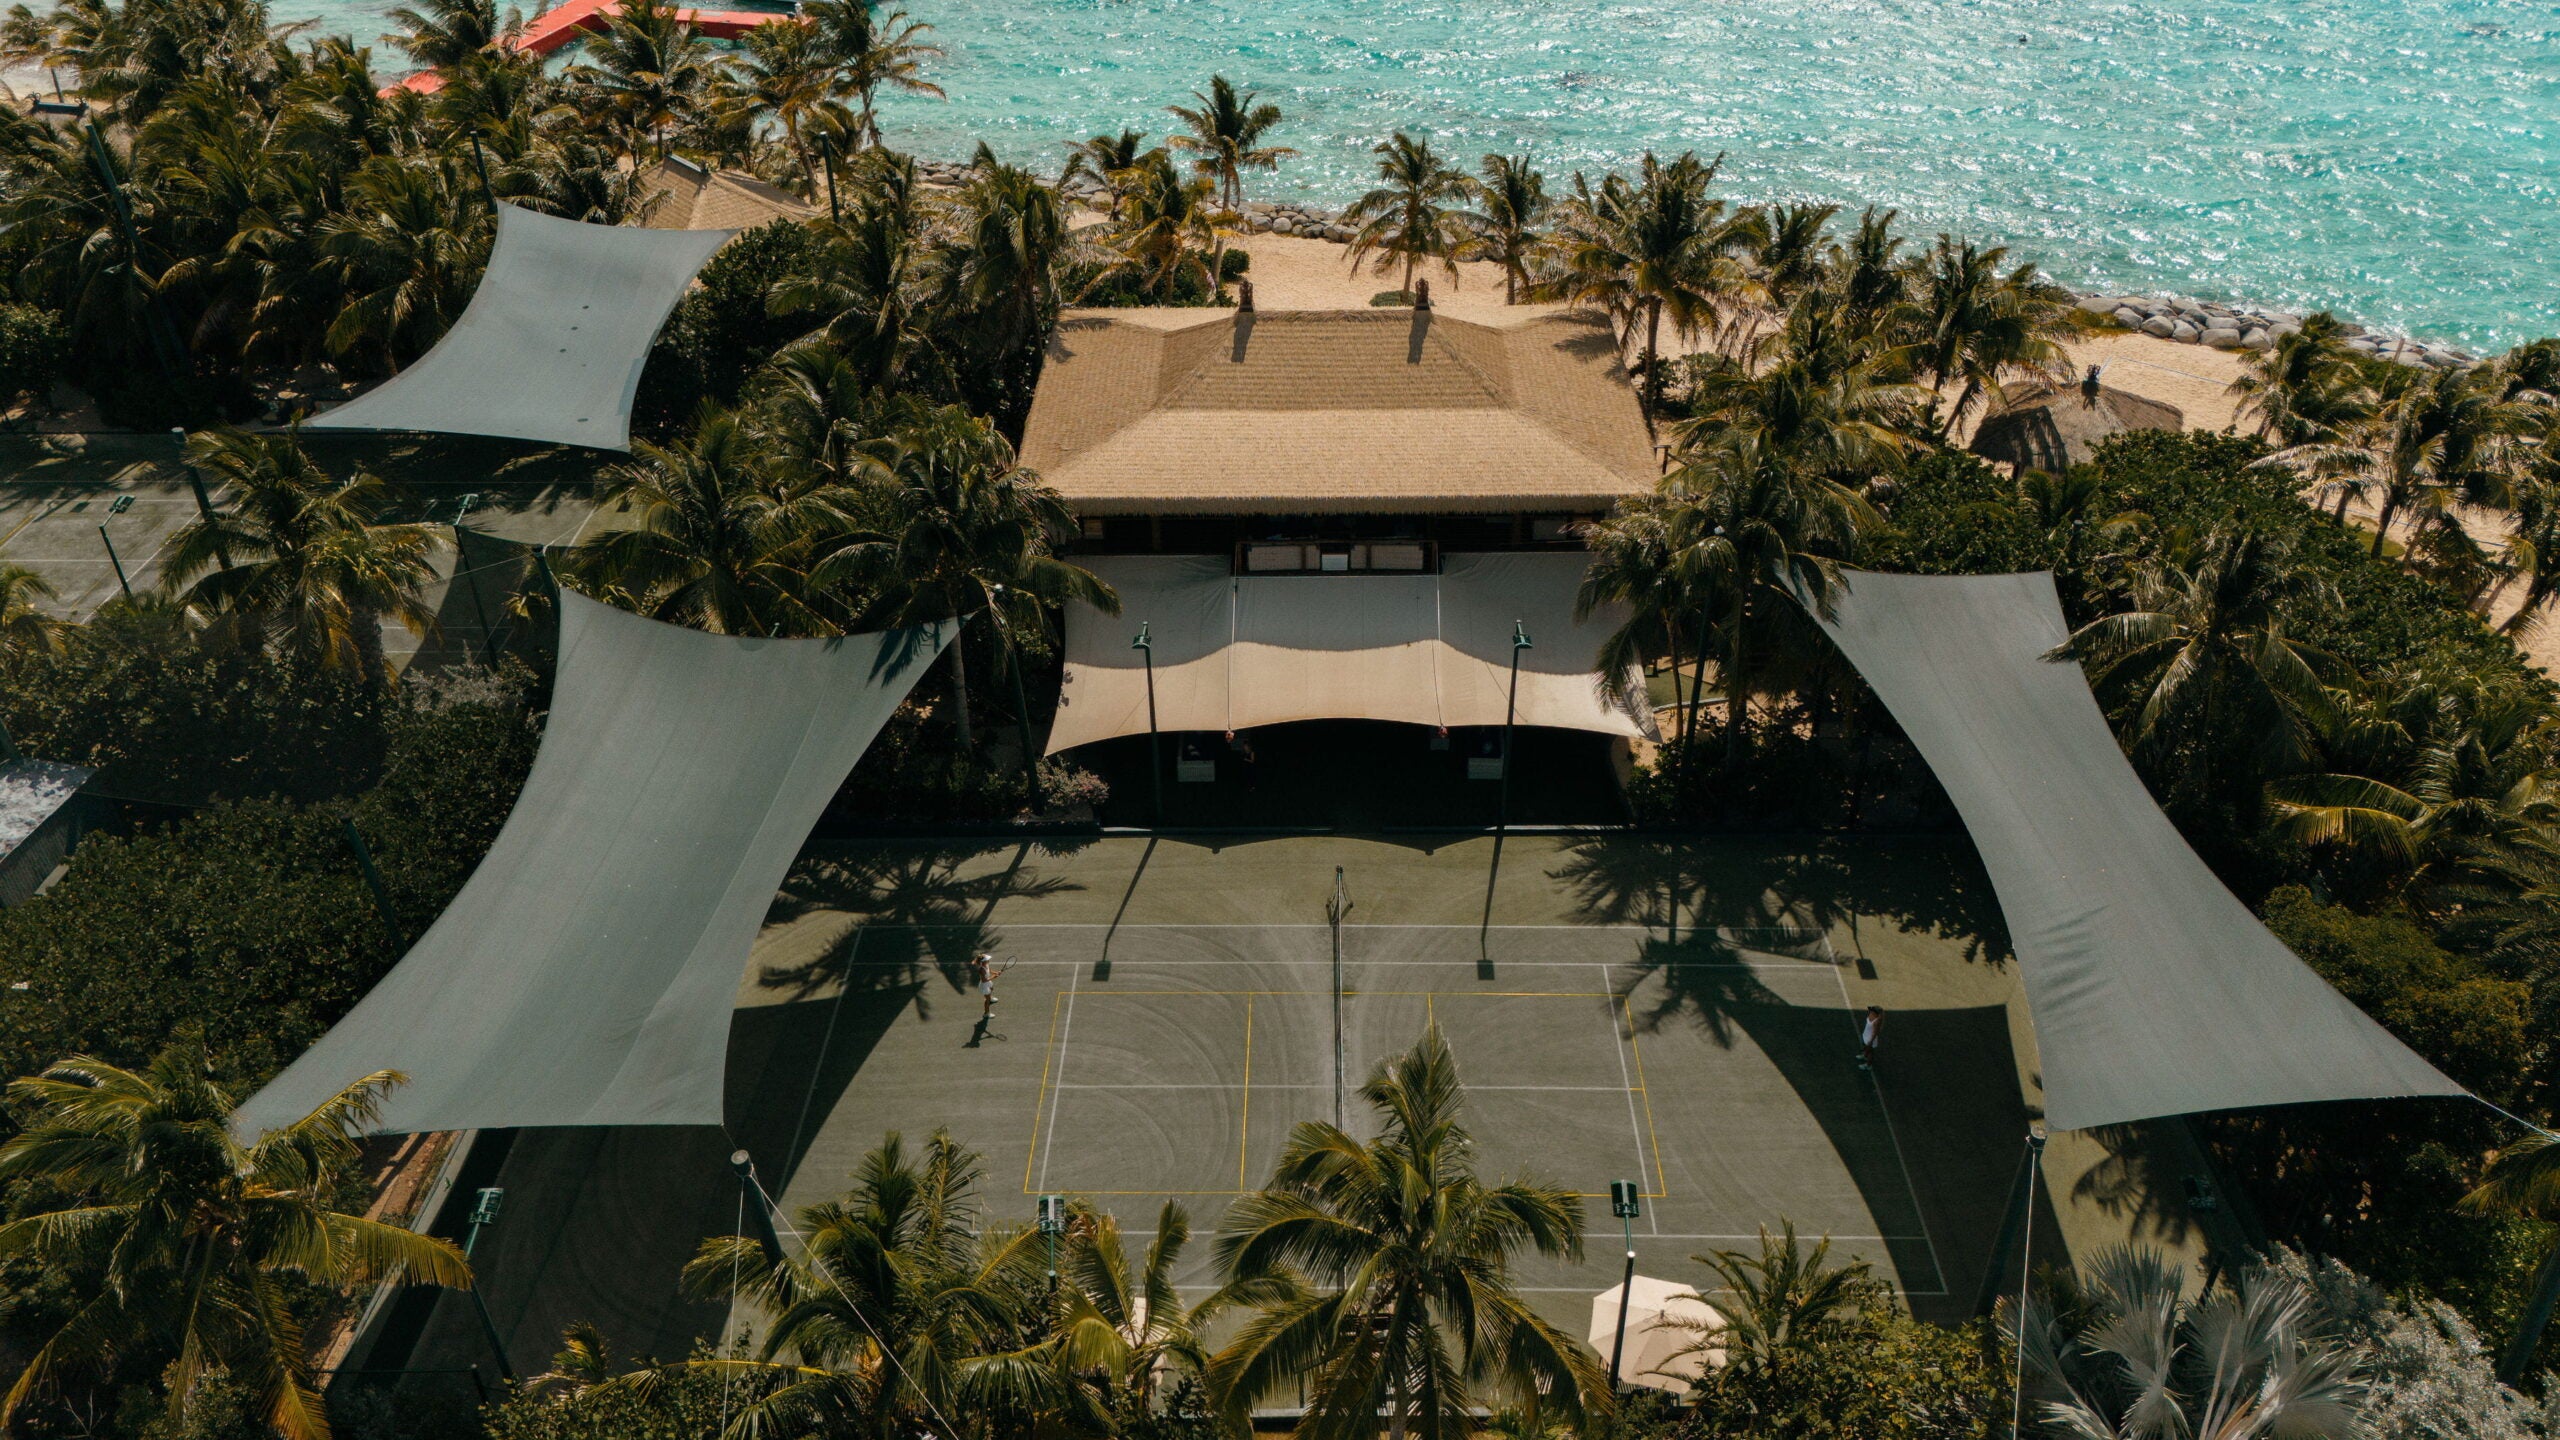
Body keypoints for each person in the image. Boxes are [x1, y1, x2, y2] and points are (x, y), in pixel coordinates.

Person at [971, 953, 998, 1017]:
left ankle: (990, 998)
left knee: (991, 988)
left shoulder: (986, 964)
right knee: (987, 1000)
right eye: (987, 960)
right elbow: (984, 980)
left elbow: (990, 971)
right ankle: (986, 1013)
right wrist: (993, 977)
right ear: (983, 962)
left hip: (987, 982)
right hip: (984, 985)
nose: (988, 960)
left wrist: (995, 972)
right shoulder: (981, 970)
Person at [1858, 1004, 1884, 1070]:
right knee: (1866, 1048)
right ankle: (1864, 1055)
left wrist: (1871, 1041)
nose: (1870, 1011)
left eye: (1872, 1010)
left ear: (1875, 1013)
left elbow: (1875, 1033)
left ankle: (1868, 1065)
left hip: (1871, 1038)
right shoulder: (1871, 1014)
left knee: (1871, 1053)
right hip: (1866, 1035)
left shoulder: (1876, 1022)